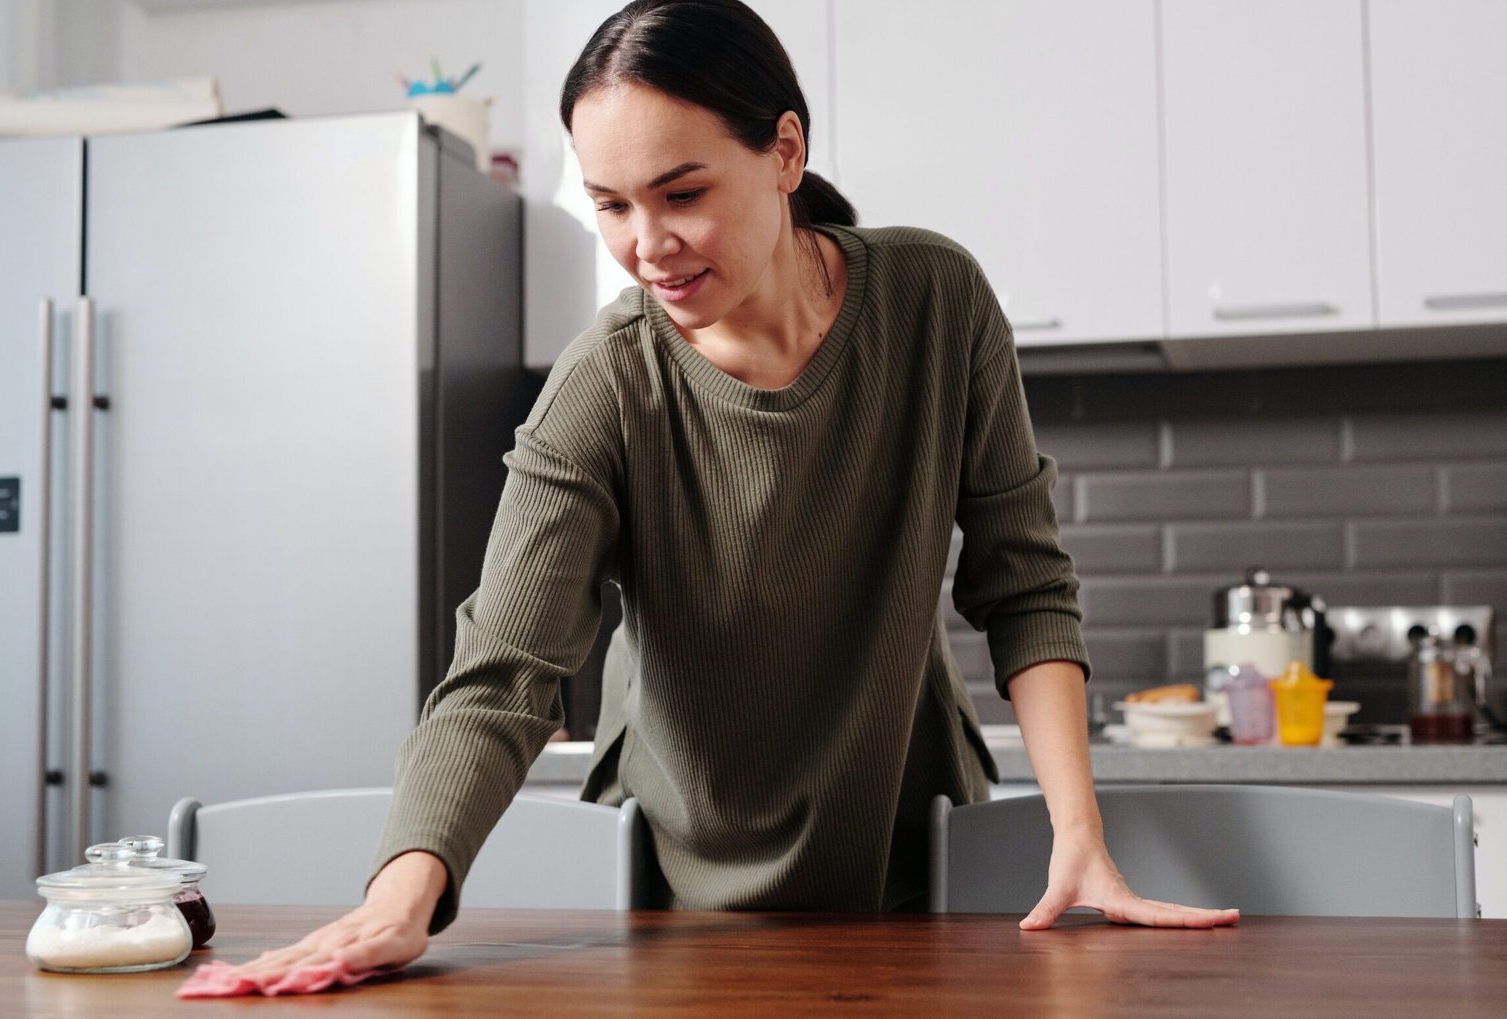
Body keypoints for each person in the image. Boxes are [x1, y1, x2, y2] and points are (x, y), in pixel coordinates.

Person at [233, 0, 1239, 985]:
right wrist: (400, 897)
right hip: (679, 896)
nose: (646, 244)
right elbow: (501, 672)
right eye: (611, 204)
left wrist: (1078, 834)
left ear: (785, 153)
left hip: (907, 855)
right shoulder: (606, 382)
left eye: (681, 193)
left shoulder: (936, 301)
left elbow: (1022, 584)